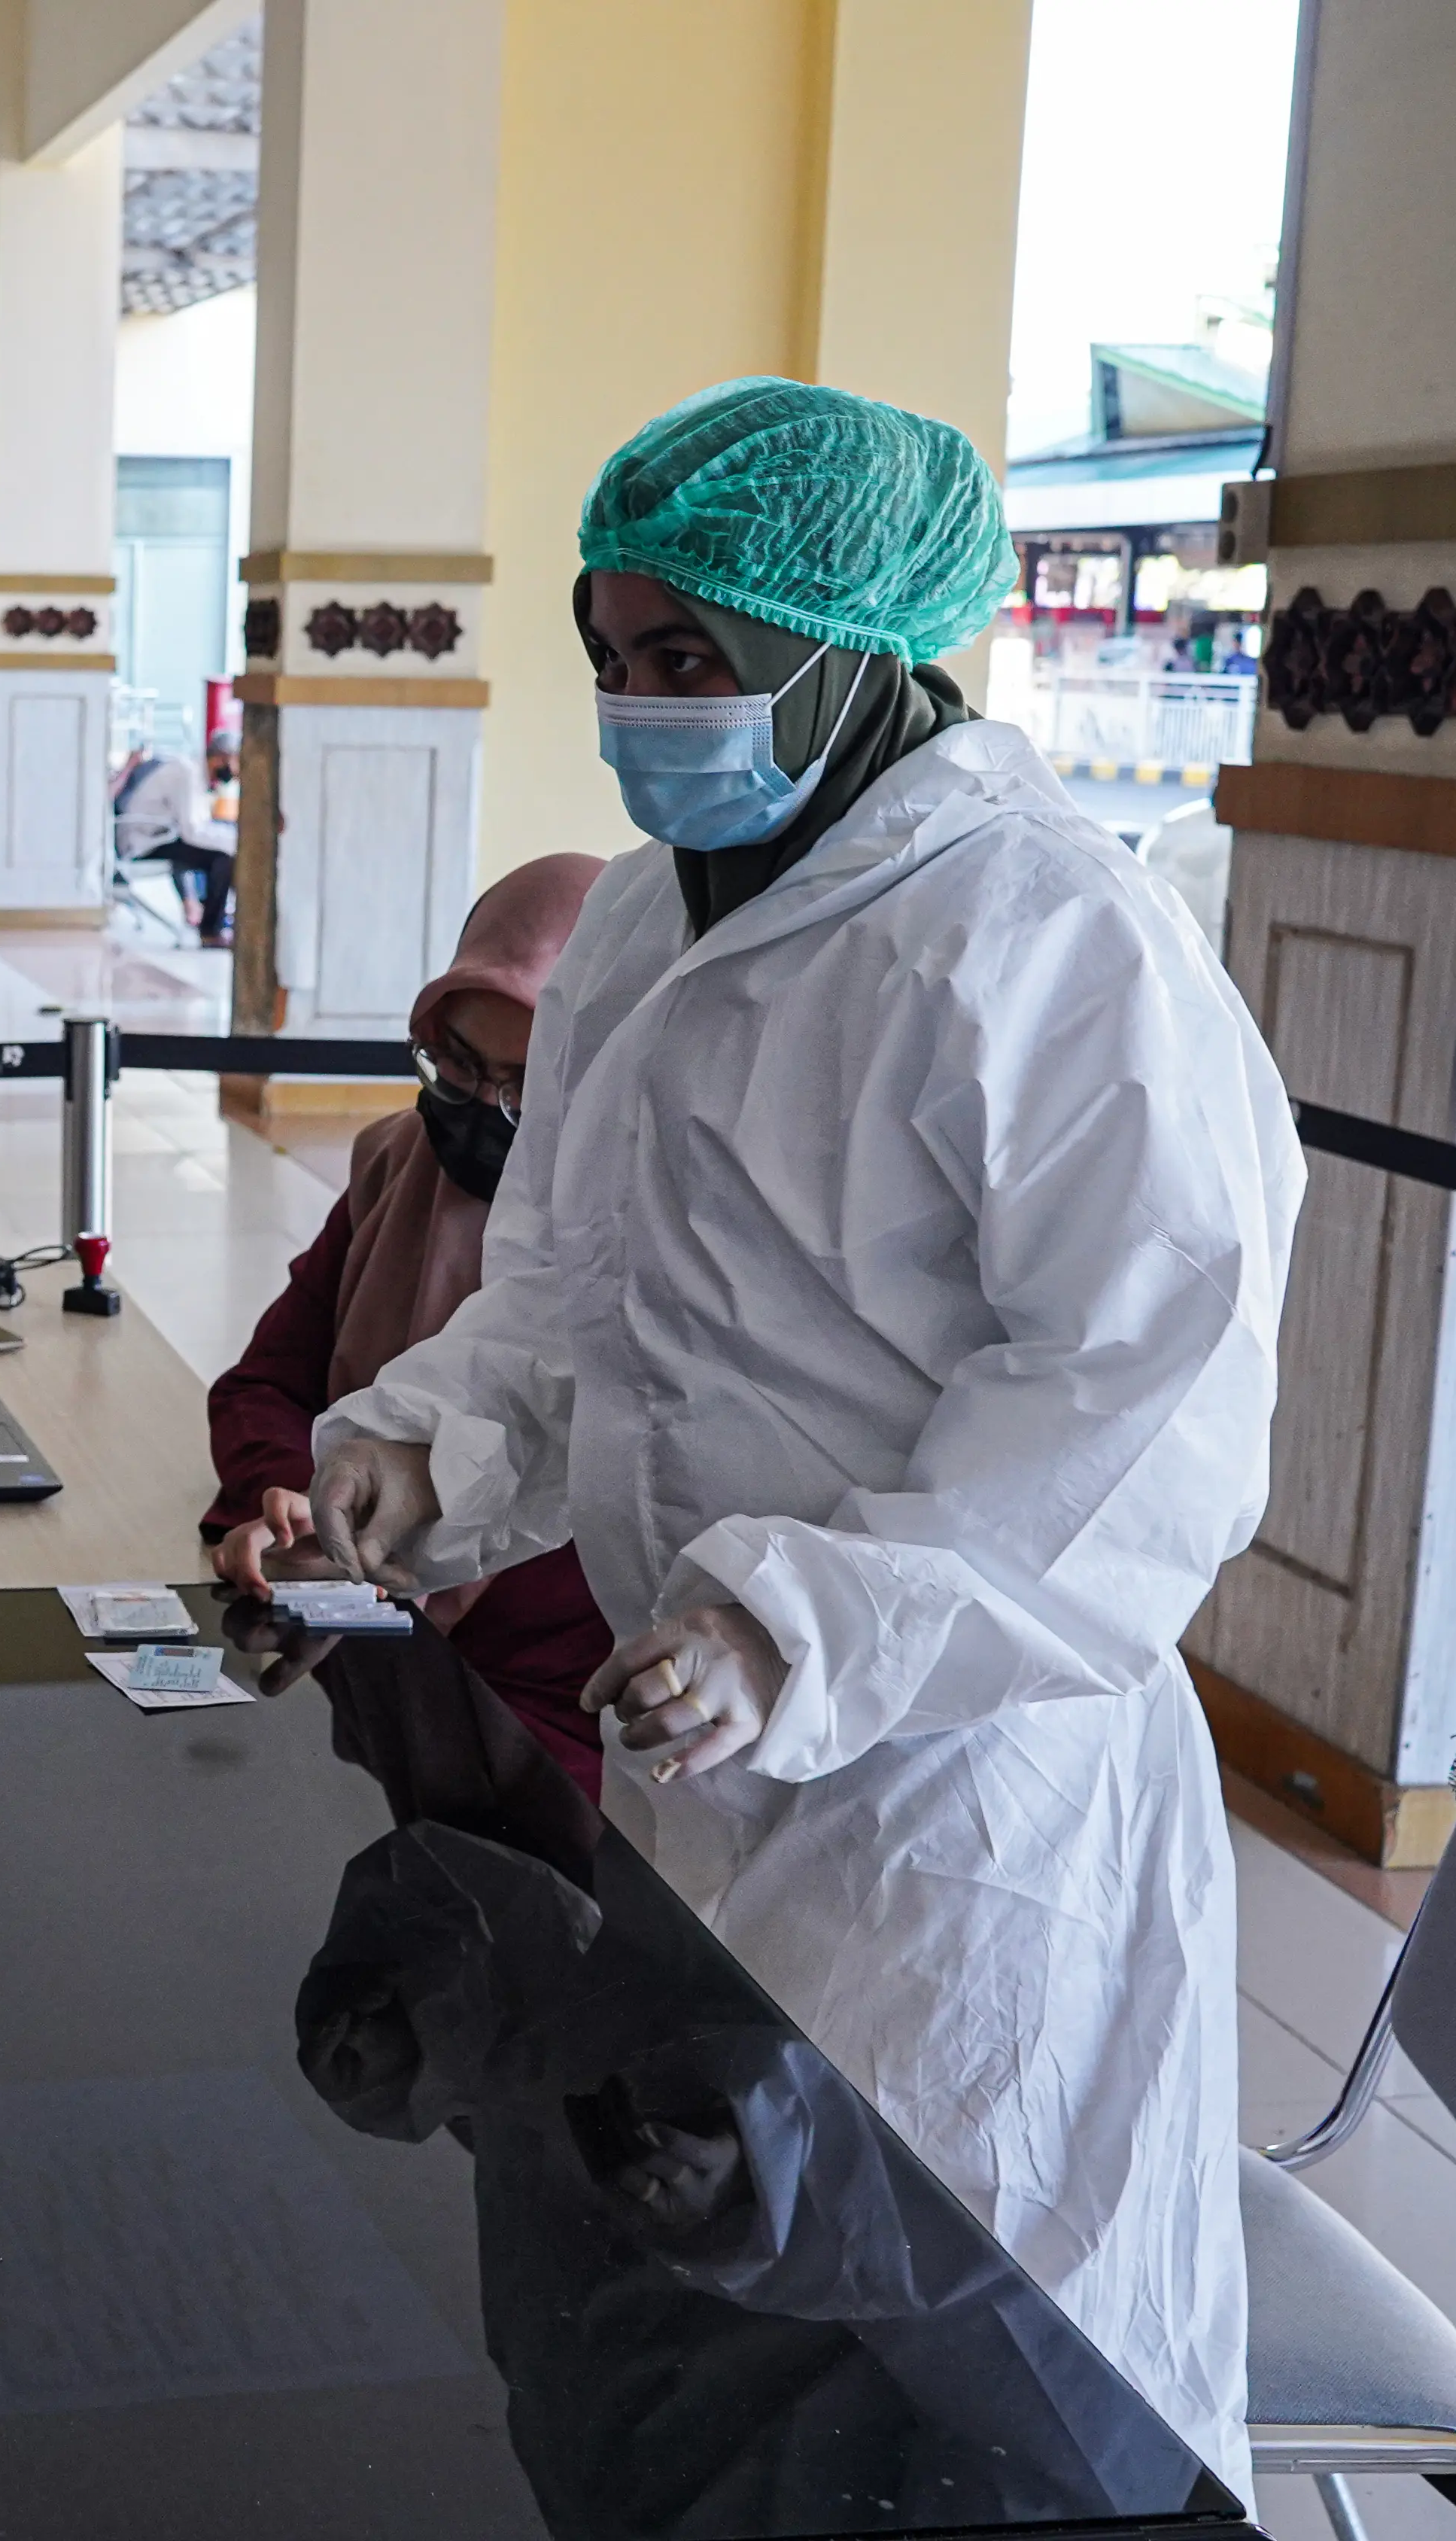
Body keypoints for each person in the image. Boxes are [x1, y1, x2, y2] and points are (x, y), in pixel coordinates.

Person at [305, 376, 1299, 2489]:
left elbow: (1143, 1416)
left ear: (854, 648)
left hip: (956, 1807)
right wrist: (441, 1441)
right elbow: (578, 1286)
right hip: (700, 1786)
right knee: (691, 2353)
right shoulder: (664, 910)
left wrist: (816, 1631)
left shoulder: (1049, 939)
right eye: (614, 664)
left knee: (943, 2386)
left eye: (691, 661)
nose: (645, 711)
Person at [206, 853, 611, 1791]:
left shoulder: (640, 1237)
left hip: (573, 1716)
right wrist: (288, 1500)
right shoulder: (398, 1168)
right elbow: (268, 1382)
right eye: (458, 1065)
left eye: (525, 1088)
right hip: (367, 1667)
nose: (477, 1111)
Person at [111, 732, 238, 942]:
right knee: (223, 859)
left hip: (161, 836)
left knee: (221, 852)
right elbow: (193, 832)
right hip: (145, 841)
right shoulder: (186, 773)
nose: (237, 772)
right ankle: (210, 931)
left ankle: (215, 917)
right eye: (237, 763)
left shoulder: (194, 773)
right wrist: (235, 843)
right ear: (221, 758)